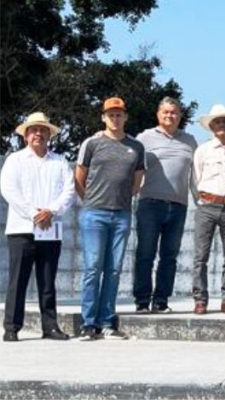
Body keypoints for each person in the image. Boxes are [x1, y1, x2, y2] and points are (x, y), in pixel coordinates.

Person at [74, 97, 145, 340]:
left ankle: (107, 321)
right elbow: (79, 177)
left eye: (119, 114)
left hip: (122, 214)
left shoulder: (136, 147)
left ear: (125, 117)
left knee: (113, 270)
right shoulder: (91, 143)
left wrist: (121, 199)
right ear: (103, 117)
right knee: (93, 268)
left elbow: (137, 182)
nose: (115, 118)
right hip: (94, 213)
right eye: (110, 114)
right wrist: (91, 200)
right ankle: (88, 322)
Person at [2, 113, 74, 342]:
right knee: (18, 280)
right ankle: (12, 327)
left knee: (47, 280)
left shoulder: (60, 161)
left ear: (49, 135)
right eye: (34, 130)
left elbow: (69, 191)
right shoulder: (15, 160)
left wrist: (51, 211)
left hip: (50, 228)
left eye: (43, 130)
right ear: (26, 135)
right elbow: (9, 190)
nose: (38, 134)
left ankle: (50, 326)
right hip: (21, 228)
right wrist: (34, 214)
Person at [133, 97, 197, 314]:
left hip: (178, 206)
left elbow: (196, 175)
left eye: (174, 112)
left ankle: (161, 300)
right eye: (166, 112)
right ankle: (142, 301)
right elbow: (129, 161)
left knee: (169, 256)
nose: (170, 116)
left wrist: (200, 199)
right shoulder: (145, 138)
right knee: (145, 253)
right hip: (150, 203)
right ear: (158, 114)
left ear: (180, 116)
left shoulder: (189, 141)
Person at [191, 104, 225, 316]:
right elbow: (195, 180)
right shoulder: (202, 150)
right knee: (200, 256)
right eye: (218, 121)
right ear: (211, 126)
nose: (221, 124)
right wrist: (203, 201)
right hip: (207, 205)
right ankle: (200, 299)